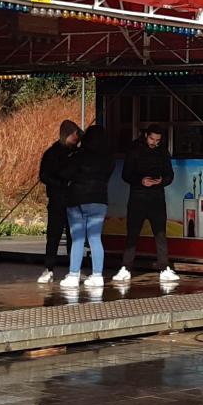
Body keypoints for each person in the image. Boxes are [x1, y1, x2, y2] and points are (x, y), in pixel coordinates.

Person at [116, 125, 179, 284]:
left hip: (157, 197)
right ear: (145, 136)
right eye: (152, 139)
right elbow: (126, 175)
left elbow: (170, 175)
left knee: (160, 234)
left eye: (158, 140)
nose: (154, 143)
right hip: (138, 197)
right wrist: (140, 181)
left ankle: (164, 268)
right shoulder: (135, 151)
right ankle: (125, 268)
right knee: (132, 234)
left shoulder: (163, 152)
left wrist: (161, 181)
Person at [56, 122, 114, 288]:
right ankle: (97, 275)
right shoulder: (108, 159)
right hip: (99, 200)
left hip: (77, 199)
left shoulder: (79, 155)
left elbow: (66, 173)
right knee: (95, 238)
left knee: (78, 239)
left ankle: (74, 275)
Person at [35, 120, 82, 285]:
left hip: (73, 199)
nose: (77, 138)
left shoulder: (77, 153)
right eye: (75, 134)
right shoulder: (52, 153)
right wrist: (62, 183)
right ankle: (49, 269)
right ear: (67, 134)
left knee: (74, 236)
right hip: (57, 198)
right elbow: (43, 175)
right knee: (53, 235)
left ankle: (74, 269)